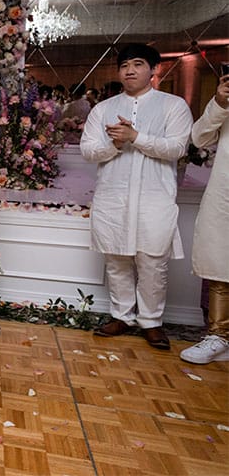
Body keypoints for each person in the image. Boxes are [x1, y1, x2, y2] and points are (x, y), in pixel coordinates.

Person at [80, 43, 193, 350]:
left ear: (154, 70)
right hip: (112, 196)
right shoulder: (103, 108)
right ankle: (121, 316)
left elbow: (177, 148)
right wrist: (114, 145)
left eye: (138, 64)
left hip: (155, 197)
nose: (130, 70)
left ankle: (151, 322)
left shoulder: (173, 105)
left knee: (153, 261)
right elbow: (88, 151)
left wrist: (136, 138)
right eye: (125, 65)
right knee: (116, 259)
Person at [181, 71, 229, 364]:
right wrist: (219, 103)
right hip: (226, 190)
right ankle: (219, 337)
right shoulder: (224, 102)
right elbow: (199, 137)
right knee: (220, 262)